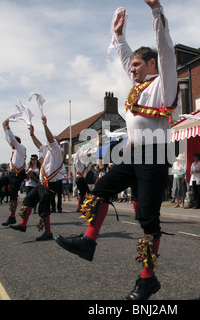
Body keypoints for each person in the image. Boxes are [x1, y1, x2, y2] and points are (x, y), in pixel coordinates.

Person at [55, 0, 178, 300]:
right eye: (131, 66)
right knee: (100, 189)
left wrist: (156, 11)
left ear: (152, 65)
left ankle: (148, 279)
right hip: (134, 154)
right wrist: (119, 37)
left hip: (155, 156)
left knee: (148, 220)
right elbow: (125, 59)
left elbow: (165, 49)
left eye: (138, 65)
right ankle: (88, 241)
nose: (131, 69)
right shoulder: (137, 88)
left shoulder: (164, 84)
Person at [10, 115, 66, 241]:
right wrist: (32, 134)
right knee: (28, 200)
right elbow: (38, 145)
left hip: (51, 185)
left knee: (43, 208)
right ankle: (23, 224)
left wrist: (45, 125)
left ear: (56, 143)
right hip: (43, 184)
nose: (50, 141)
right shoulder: (48, 152)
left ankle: (48, 233)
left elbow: (50, 139)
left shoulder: (56, 151)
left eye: (53, 140)